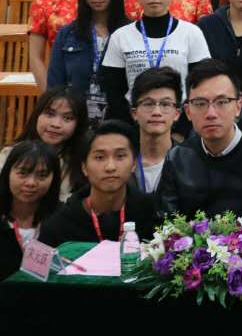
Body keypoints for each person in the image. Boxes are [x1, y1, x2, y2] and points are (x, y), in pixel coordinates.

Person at [155, 60, 242, 242]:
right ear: (188, 111)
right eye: (200, 103)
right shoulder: (177, 158)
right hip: (189, 257)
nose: (211, 113)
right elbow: (167, 227)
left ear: (239, 106)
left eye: (221, 102)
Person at [100, 0, 212, 121]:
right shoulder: (120, 36)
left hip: (180, 122)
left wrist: (181, 128)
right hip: (133, 122)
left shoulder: (191, 33)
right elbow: (114, 92)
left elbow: (201, 86)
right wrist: (133, 126)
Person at [38, 121, 157, 249]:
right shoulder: (59, 223)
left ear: (134, 163)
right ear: (84, 167)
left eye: (120, 156)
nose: (110, 167)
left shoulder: (152, 212)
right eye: (100, 157)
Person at [46, 0, 129, 123]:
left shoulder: (131, 33)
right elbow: (55, 87)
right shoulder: (67, 34)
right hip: (76, 122)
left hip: (120, 123)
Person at [2, 87, 88, 200]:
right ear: (37, 115)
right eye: (50, 114)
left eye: (67, 118)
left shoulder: (82, 162)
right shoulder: (10, 153)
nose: (56, 124)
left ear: (78, 125)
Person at [0, 141, 60, 281]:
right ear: (8, 172)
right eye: (23, 173)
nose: (31, 183)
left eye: (42, 175)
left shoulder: (61, 218)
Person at [128, 66, 182, 197]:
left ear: (177, 114)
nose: (156, 112)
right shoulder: (121, 163)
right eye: (148, 104)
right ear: (134, 113)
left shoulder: (190, 163)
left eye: (165, 104)